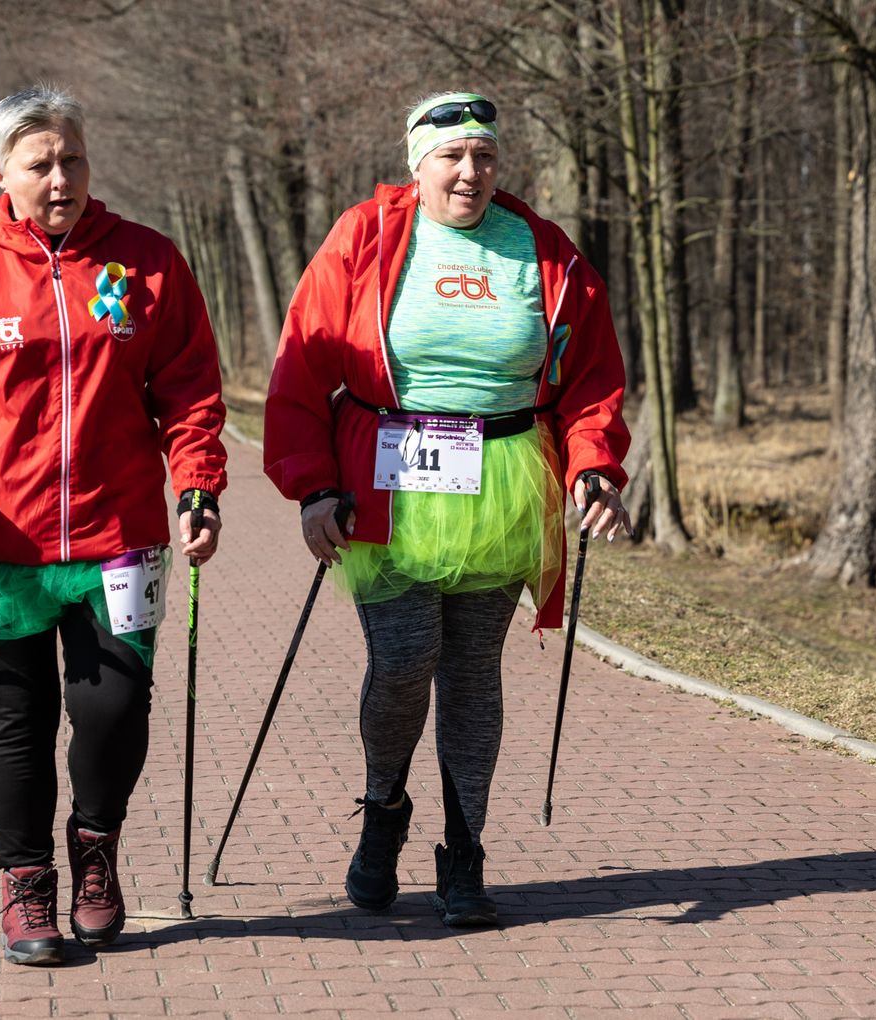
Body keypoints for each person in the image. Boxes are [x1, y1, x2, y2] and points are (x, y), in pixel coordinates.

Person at [0, 84, 227, 966]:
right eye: (40, 164)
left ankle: (95, 849)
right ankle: (25, 881)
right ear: (1, 172)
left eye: (73, 158)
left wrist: (197, 486)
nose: (61, 177)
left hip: (120, 534)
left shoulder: (144, 263)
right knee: (17, 716)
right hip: (1, 545)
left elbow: (188, 389)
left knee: (116, 706)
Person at [264, 92, 632, 928]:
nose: (471, 172)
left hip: (504, 478)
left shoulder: (544, 250)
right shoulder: (365, 236)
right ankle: (384, 809)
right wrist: (312, 485)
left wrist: (592, 468)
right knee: (403, 657)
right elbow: (301, 367)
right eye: (452, 156)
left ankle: (464, 849)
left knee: (471, 670)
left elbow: (592, 379)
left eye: (485, 156)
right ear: (416, 163)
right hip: (389, 482)